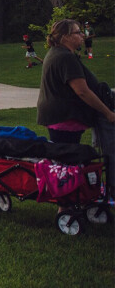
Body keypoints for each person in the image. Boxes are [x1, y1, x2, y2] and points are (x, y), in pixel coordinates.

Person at [37, 18, 114, 201]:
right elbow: (82, 91)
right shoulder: (64, 57)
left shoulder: (58, 53)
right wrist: (107, 113)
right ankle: (66, 205)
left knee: (67, 160)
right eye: (78, 32)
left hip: (61, 117)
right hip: (66, 118)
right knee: (68, 162)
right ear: (65, 37)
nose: (82, 35)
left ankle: (74, 197)